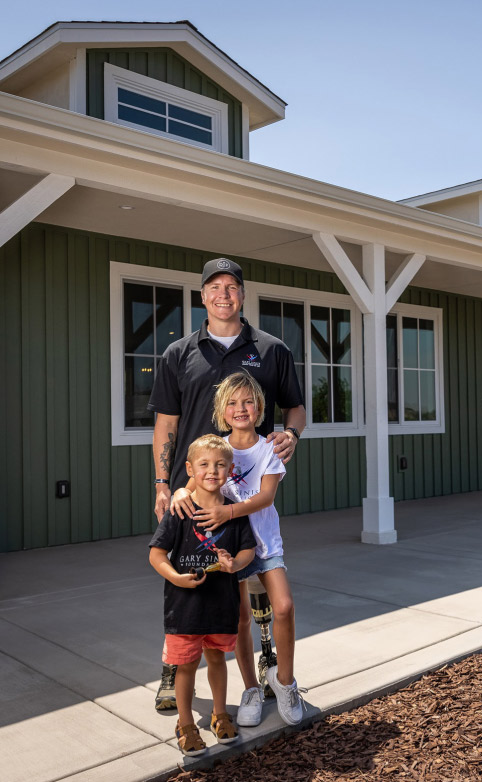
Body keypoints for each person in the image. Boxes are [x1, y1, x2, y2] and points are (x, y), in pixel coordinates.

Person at [149, 257, 307, 711]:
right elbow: (166, 424)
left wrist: (291, 434)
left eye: (231, 286)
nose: (223, 294)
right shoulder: (178, 353)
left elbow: (295, 408)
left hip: (246, 491)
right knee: (186, 580)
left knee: (246, 580)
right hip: (190, 494)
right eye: (214, 287)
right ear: (203, 296)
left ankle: (267, 667)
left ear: (242, 294)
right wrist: (164, 482)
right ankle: (172, 670)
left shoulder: (271, 349)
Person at [173, 372, 304, 726]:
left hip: (265, 543)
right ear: (222, 410)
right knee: (241, 618)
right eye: (232, 403)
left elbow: (265, 497)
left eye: (248, 401)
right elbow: (192, 483)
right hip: (229, 547)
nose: (240, 408)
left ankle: (286, 683)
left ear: (259, 407)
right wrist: (180, 492)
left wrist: (226, 510)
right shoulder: (218, 448)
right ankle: (251, 689)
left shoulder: (269, 449)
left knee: (284, 607)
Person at [148, 435, 257, 756]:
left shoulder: (234, 514)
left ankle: (220, 714)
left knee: (216, 661)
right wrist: (176, 578)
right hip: (185, 609)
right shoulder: (180, 511)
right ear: (190, 468)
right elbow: (156, 554)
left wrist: (233, 563)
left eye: (220, 464)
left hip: (221, 606)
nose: (213, 471)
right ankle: (185, 724)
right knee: (186, 666)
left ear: (230, 469)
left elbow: (248, 551)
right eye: (205, 464)